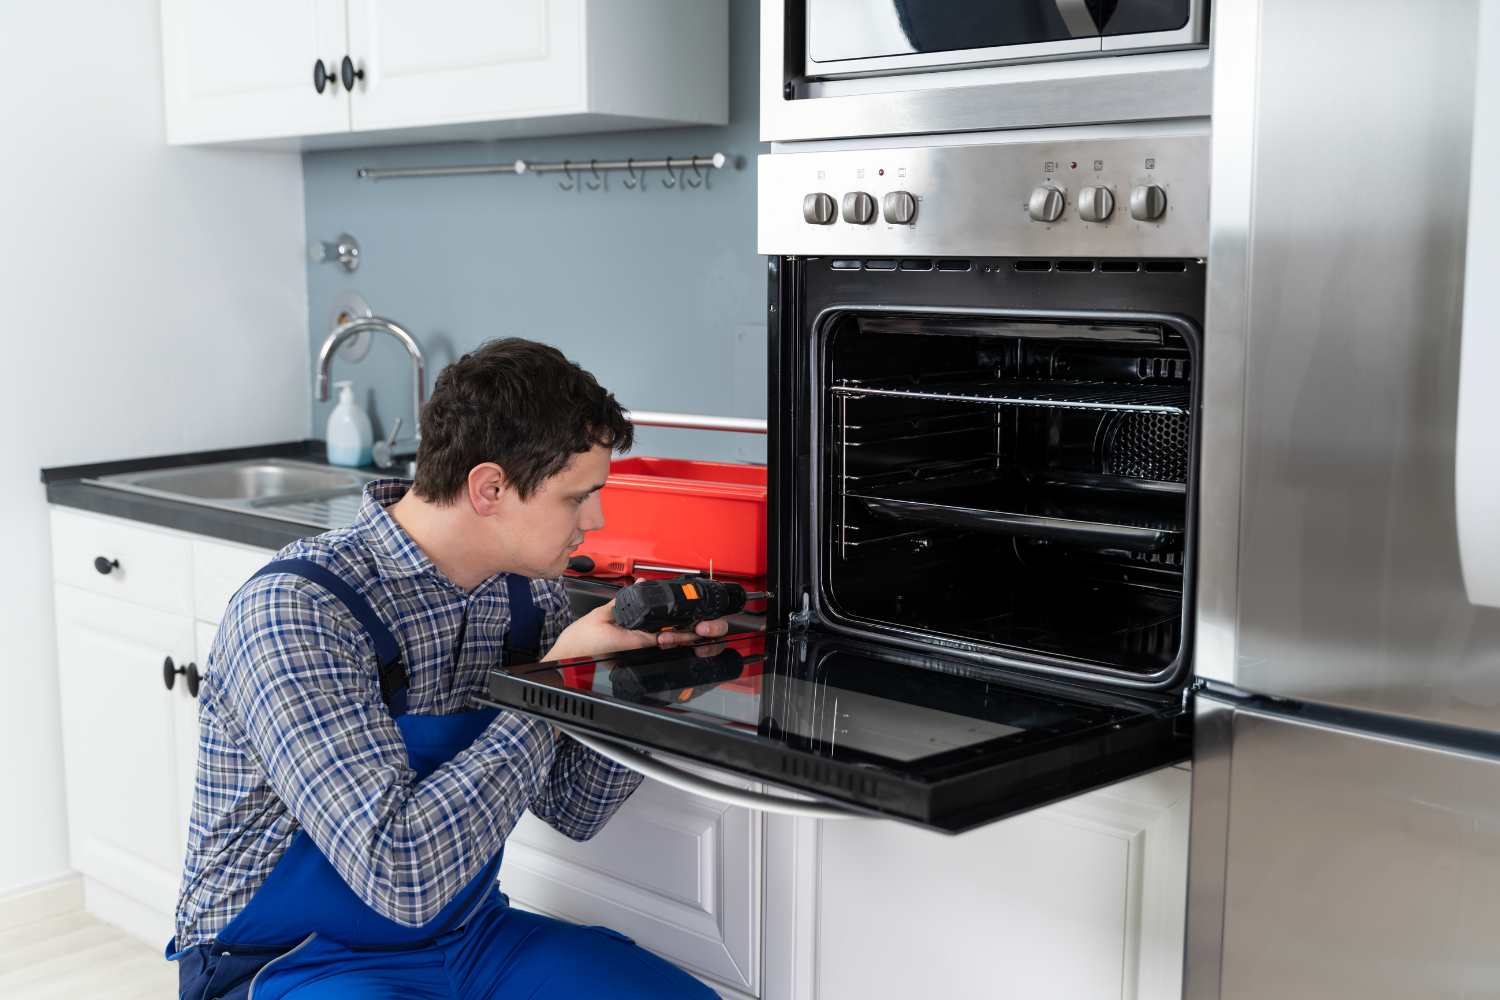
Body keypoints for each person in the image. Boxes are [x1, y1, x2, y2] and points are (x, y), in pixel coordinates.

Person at [167, 338, 727, 999]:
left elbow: (574, 808)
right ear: (489, 488)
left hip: (465, 934)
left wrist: (634, 681)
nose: (596, 520)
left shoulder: (525, 591)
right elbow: (399, 874)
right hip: (281, 958)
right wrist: (551, 688)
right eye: (578, 497)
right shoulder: (299, 611)